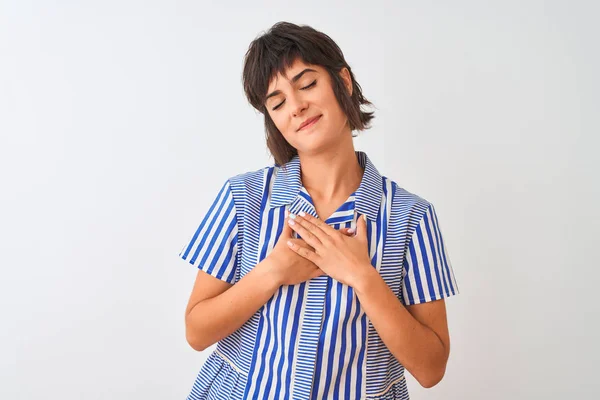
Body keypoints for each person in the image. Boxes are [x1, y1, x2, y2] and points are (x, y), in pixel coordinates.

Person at [178, 21, 459, 400]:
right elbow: (196, 332)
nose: (296, 107)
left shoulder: (411, 218)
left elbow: (431, 369)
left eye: (307, 84)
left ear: (342, 82)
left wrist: (363, 276)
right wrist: (273, 272)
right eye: (277, 103)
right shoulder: (242, 198)